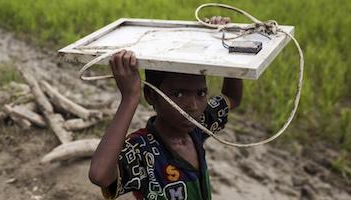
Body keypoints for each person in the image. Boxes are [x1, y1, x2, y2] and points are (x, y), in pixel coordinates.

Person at [88, 16, 242, 200]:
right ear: (151, 96)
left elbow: (232, 97)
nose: (193, 106)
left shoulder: (200, 125)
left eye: (201, 93)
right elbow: (100, 175)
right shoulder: (142, 149)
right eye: (178, 94)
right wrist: (129, 98)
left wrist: (228, 41)